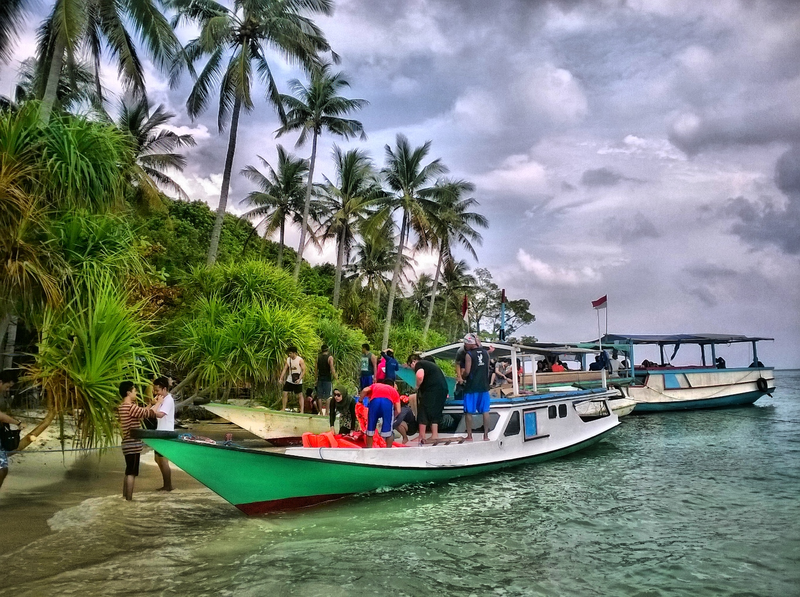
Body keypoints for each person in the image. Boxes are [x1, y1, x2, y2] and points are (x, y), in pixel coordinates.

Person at [118, 381, 163, 500]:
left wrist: (150, 404)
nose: (136, 393)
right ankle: (129, 499)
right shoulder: (130, 407)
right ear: (128, 392)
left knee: (128, 471)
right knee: (132, 472)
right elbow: (148, 414)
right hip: (132, 444)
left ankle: (124, 497)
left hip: (127, 443)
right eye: (134, 391)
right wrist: (158, 403)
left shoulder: (123, 406)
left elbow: (141, 413)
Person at [407, 353, 448, 444]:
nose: (412, 369)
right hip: (443, 389)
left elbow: (420, 376)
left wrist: (417, 386)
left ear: (413, 362)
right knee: (435, 412)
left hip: (433, 389)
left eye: (411, 366)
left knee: (423, 410)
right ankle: (435, 435)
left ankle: (421, 435)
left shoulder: (419, 364)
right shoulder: (430, 365)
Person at [462, 337, 491, 441]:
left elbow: (467, 372)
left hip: (472, 387)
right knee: (485, 411)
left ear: (470, 344)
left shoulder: (469, 355)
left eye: (466, 344)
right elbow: (487, 369)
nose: (465, 346)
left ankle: (469, 436)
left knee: (469, 412)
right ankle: (486, 436)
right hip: (484, 386)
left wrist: (463, 375)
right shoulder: (486, 353)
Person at [360, 380, 401, 448]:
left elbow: (365, 390)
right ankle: (388, 449)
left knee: (370, 429)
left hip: (374, 403)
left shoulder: (375, 385)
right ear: (393, 385)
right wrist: (392, 417)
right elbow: (399, 410)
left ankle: (369, 448)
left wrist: (360, 401)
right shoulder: (394, 391)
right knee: (388, 432)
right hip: (387, 404)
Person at [152, 376, 175, 491]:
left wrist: (153, 409)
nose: (156, 393)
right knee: (157, 458)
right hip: (160, 432)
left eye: (158, 390)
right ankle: (166, 484)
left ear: (165, 389)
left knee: (163, 460)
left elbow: (160, 414)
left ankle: (168, 485)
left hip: (165, 433)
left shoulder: (168, 400)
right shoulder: (162, 399)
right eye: (155, 391)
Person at [280, 346, 306, 413]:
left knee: (300, 395)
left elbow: (304, 370)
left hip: (298, 379)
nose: (289, 354)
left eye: (291, 353)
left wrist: (300, 379)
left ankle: (302, 410)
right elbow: (285, 369)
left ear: (294, 353)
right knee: (285, 392)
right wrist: (281, 378)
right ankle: (283, 408)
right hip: (290, 378)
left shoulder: (300, 360)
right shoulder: (288, 360)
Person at [315, 345, 336, 415]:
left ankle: (320, 412)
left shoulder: (318, 357)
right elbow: (332, 368)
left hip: (320, 378)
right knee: (328, 396)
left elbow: (316, 370)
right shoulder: (330, 357)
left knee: (319, 396)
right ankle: (327, 412)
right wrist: (336, 377)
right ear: (328, 349)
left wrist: (316, 379)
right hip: (327, 378)